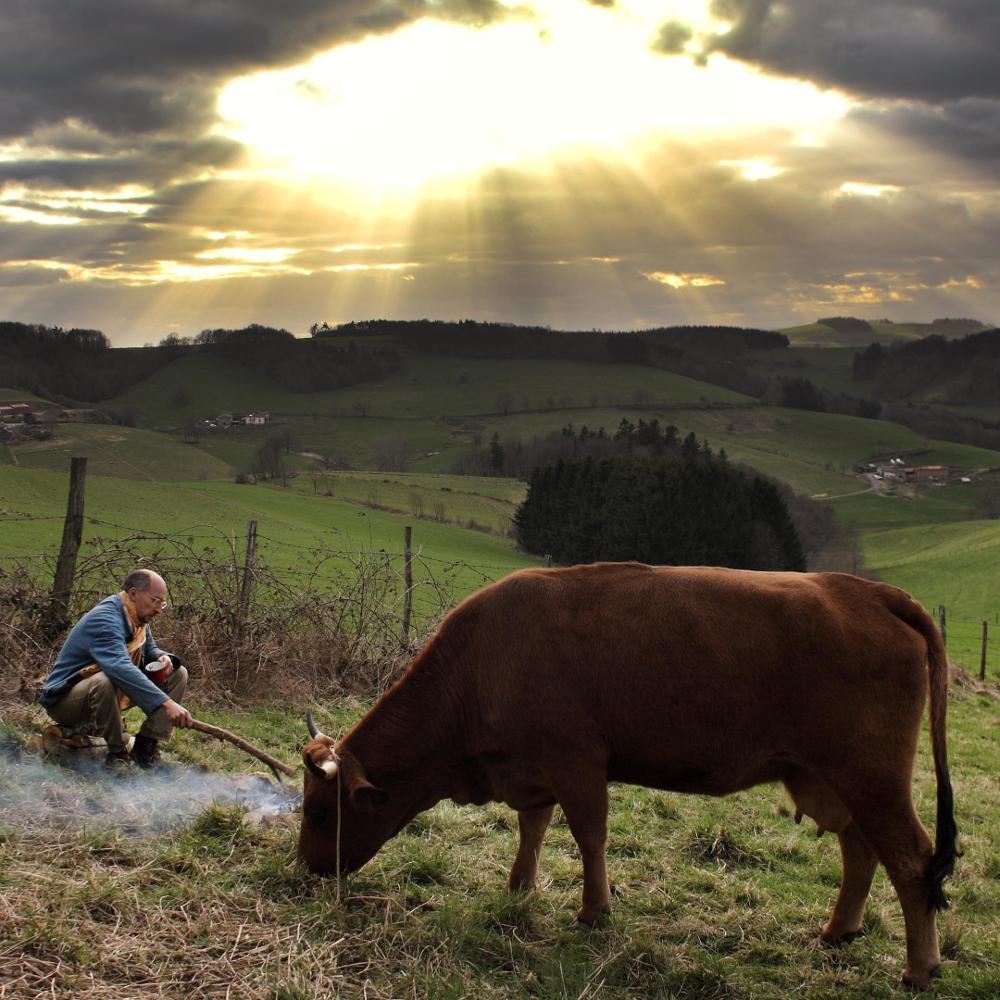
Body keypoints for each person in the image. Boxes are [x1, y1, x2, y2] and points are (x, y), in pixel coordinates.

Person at [39, 568, 193, 770]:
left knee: (177, 674)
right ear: (134, 593)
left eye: (162, 603)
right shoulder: (106, 618)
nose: (159, 609)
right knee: (105, 679)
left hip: (106, 694)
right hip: (66, 700)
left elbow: (148, 649)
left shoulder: (136, 616)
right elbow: (119, 666)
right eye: (155, 601)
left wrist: (161, 657)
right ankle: (117, 754)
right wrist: (165, 702)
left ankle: (145, 747)